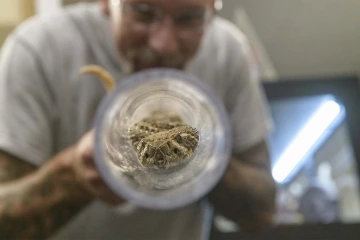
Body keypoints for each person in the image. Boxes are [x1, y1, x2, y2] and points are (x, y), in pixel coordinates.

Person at [0, 0, 277, 239]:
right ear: (107, 3)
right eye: (143, 13)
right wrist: (75, 174)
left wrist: (206, 157)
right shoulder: (38, 49)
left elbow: (263, 209)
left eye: (190, 18)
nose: (164, 44)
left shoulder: (227, 50)